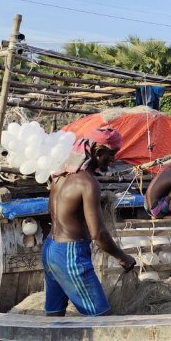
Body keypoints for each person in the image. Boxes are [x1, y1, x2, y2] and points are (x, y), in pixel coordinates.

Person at [44, 127, 136, 316]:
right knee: (101, 318)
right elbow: (98, 234)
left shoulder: (60, 176)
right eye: (110, 155)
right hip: (69, 254)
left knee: (55, 315)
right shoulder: (87, 183)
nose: (113, 160)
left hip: (50, 248)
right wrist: (123, 257)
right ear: (97, 152)